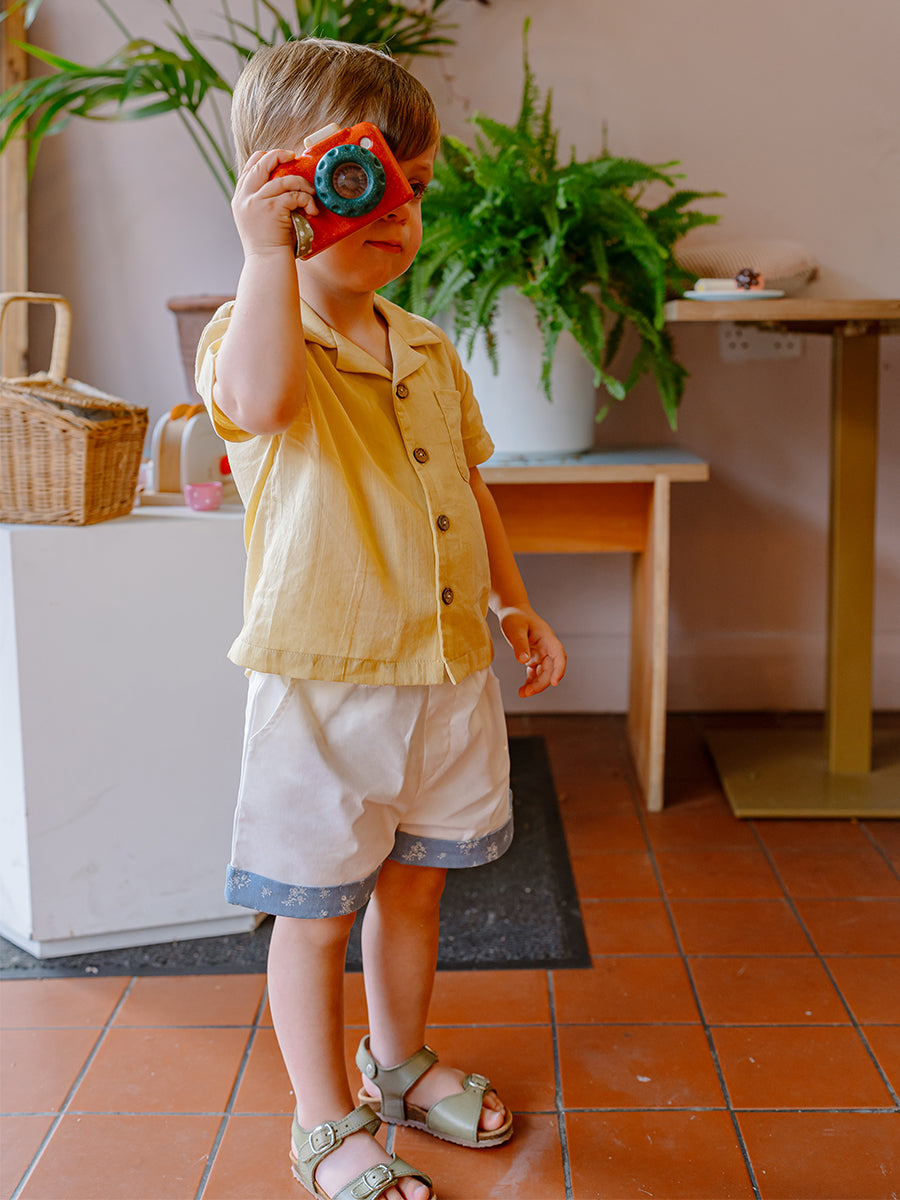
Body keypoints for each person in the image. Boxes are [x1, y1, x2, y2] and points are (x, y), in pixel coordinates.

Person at [196, 37, 566, 1200]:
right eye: (359, 177)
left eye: (415, 184)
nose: (396, 209)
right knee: (315, 916)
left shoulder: (428, 347)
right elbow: (262, 405)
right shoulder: (252, 335)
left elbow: (469, 484)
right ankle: (322, 1120)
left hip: (446, 673)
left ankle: (397, 1064)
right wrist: (265, 256)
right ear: (279, 183)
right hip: (324, 686)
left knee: (417, 884)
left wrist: (513, 601)